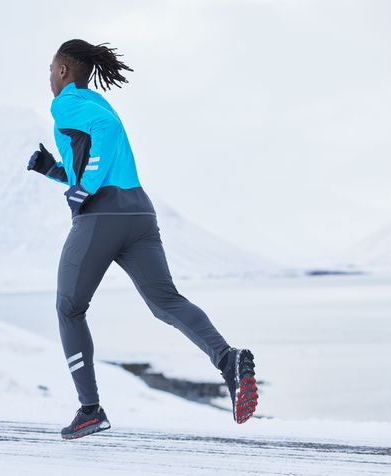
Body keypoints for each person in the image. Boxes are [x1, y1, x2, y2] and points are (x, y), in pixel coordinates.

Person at [27, 39, 258, 440]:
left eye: (51, 68)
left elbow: (105, 141)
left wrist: (87, 187)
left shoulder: (64, 103)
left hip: (102, 218)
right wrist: (54, 171)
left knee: (69, 308)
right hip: (139, 214)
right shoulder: (98, 102)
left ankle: (90, 410)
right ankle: (228, 360)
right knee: (166, 302)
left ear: (63, 71)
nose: (48, 76)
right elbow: (98, 156)